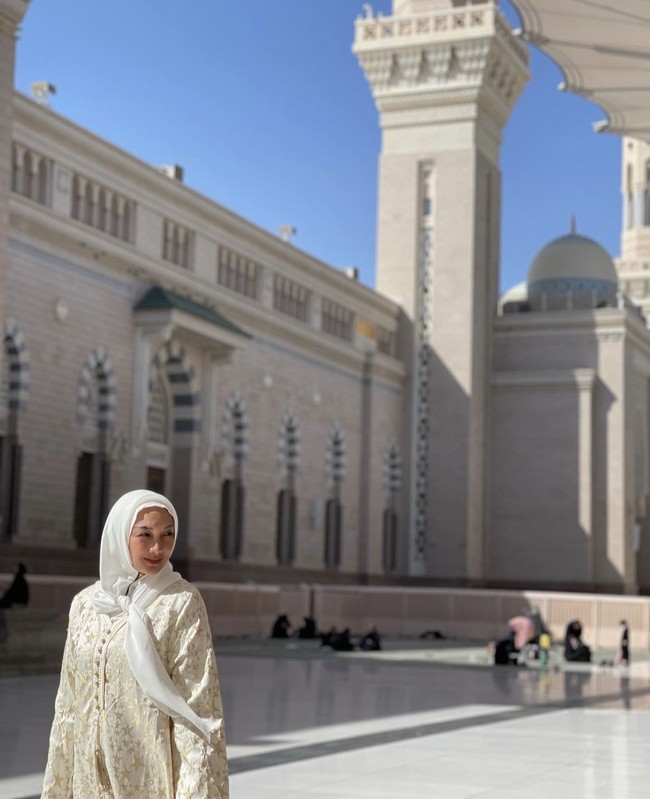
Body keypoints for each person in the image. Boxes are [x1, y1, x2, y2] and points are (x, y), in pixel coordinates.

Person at [41, 489, 229, 798]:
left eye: (168, 534)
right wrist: (57, 789)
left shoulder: (180, 603)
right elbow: (67, 707)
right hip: (88, 782)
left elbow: (198, 710)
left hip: (147, 778)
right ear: (119, 535)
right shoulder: (87, 605)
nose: (158, 547)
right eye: (145, 534)